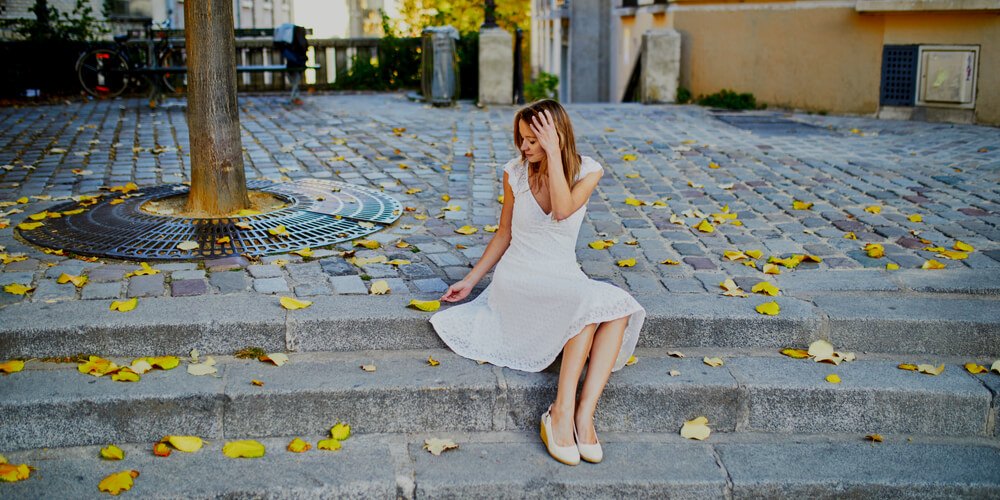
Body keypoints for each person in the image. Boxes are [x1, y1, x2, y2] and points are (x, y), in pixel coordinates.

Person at [429, 99, 646, 466]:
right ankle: (559, 411)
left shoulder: (588, 171)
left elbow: (562, 209)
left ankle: (582, 414)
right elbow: (504, 233)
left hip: (561, 274)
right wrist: (470, 281)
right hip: (519, 277)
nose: (525, 147)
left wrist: (556, 156)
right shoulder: (514, 172)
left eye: (533, 140)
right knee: (587, 305)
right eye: (522, 139)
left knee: (617, 307)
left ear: (555, 138)